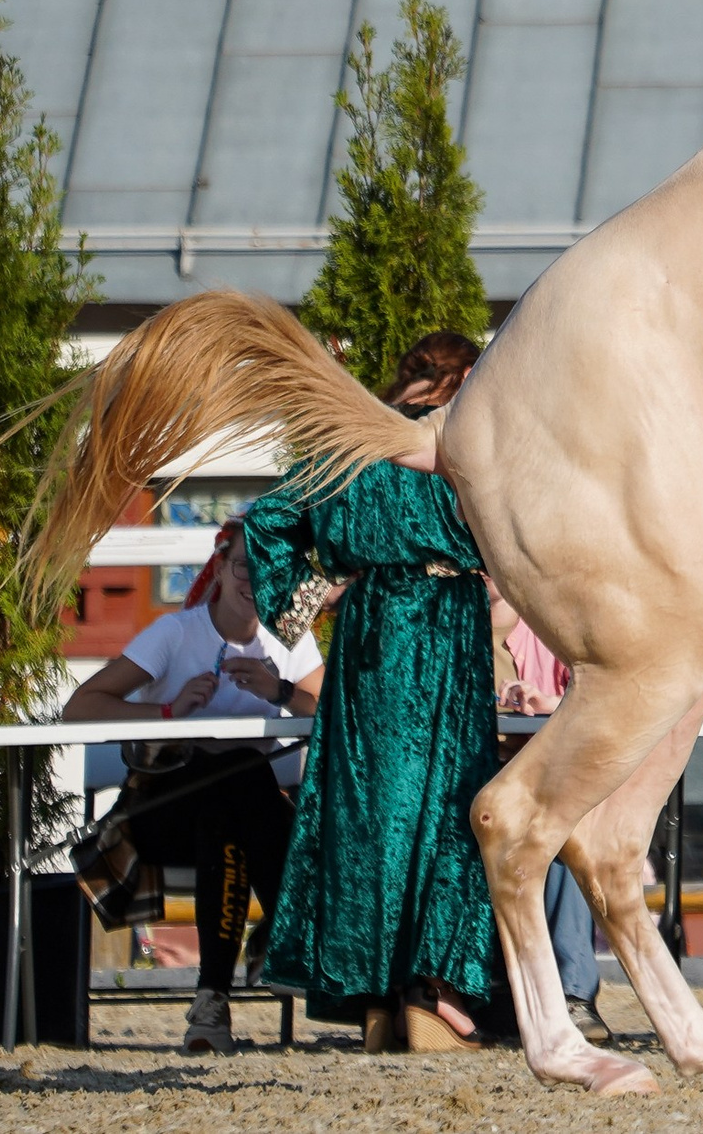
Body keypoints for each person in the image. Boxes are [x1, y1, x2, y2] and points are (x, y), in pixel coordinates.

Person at [247, 334, 504, 1053]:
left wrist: (302, 601)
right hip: (445, 623)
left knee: (369, 809)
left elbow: (267, 518)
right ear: (459, 375)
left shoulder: (349, 440)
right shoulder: (461, 436)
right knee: (453, 805)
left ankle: (376, 997)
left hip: (368, 629)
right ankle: (434, 990)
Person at [64, 520, 322, 1053]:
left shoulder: (290, 642)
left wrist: (280, 689)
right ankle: (283, 936)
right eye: (246, 565)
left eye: (269, 567)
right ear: (222, 569)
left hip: (236, 827)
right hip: (161, 811)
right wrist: (168, 710)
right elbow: (81, 707)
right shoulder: (176, 633)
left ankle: (212, 1004)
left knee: (228, 811)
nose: (256, 578)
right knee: (240, 778)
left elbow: (332, 711)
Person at [486, 580, 609, 1046]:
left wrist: (547, 705)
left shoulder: (551, 631)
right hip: (477, 780)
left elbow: (596, 707)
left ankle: (574, 994)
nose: (482, 574)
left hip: (542, 778)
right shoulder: (451, 635)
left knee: (557, 836)